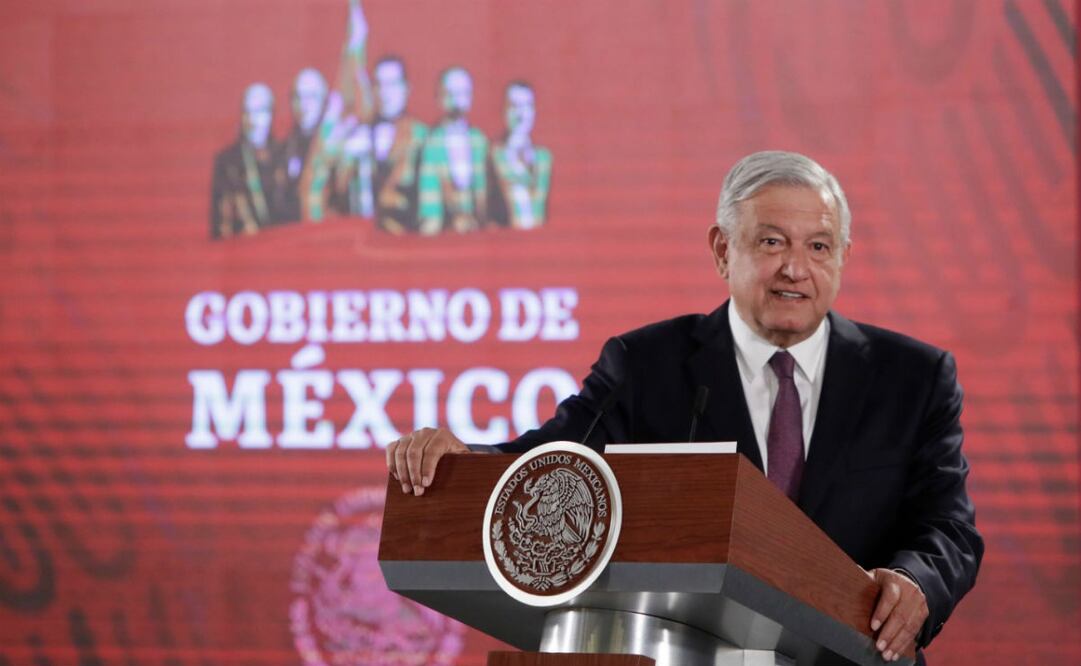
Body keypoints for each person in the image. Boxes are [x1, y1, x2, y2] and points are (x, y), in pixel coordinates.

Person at [385, 151, 982, 664]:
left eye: (819, 246)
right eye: (771, 241)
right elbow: (556, 460)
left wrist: (915, 583)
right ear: (723, 249)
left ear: (844, 256)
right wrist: (467, 461)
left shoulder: (914, 378)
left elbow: (949, 527)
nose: (795, 268)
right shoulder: (647, 365)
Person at [334, 56, 429, 232]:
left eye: (392, 84)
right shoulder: (357, 133)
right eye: (379, 84)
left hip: (408, 237)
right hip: (362, 240)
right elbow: (338, 193)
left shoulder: (422, 136)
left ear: (406, 89)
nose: (385, 92)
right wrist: (346, 158)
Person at [416, 67, 489, 234]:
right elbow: (429, 206)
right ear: (439, 98)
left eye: (462, 94)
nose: (456, 101)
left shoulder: (480, 142)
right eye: (449, 94)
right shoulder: (430, 144)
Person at [209, 83, 285, 239]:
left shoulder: (284, 155)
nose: (252, 120)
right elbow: (220, 223)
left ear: (271, 115)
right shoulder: (227, 162)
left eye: (260, 112)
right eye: (247, 112)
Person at [488, 80, 552, 229]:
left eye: (527, 106)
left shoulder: (544, 159)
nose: (521, 114)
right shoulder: (492, 155)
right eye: (514, 106)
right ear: (503, 110)